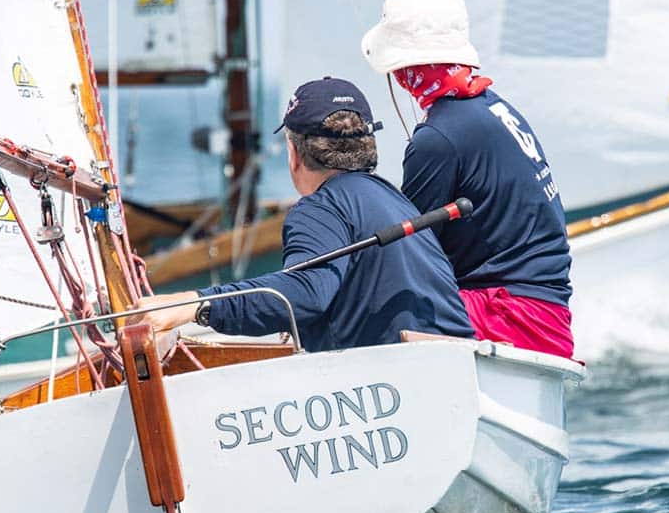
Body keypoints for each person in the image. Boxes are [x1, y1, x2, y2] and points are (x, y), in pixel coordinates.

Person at [131, 77, 475, 350]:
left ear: (294, 153)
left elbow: (306, 293)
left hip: (401, 389)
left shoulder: (319, 208)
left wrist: (194, 304)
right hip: (457, 367)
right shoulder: (397, 202)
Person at [361, 0, 574, 359]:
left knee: (366, 311)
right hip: (549, 317)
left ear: (402, 67)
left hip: (510, 316)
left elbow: (410, 255)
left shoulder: (437, 138)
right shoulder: (494, 106)